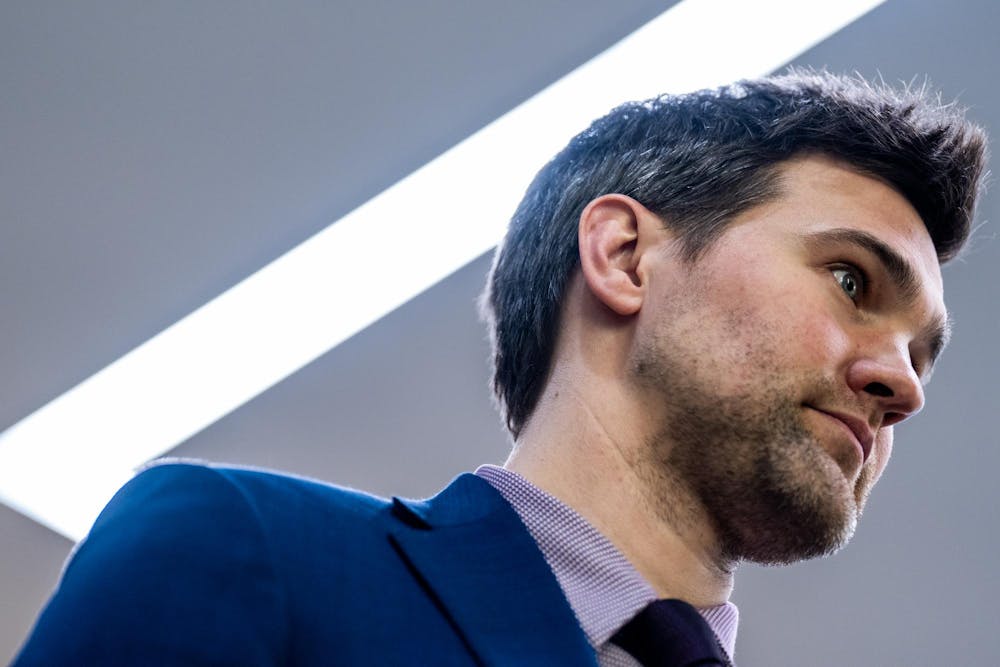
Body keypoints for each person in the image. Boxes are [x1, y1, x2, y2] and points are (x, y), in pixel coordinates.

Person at [14, 69, 987, 666]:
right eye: (853, 280)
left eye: (921, 352)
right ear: (624, 256)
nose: (902, 382)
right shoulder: (249, 553)